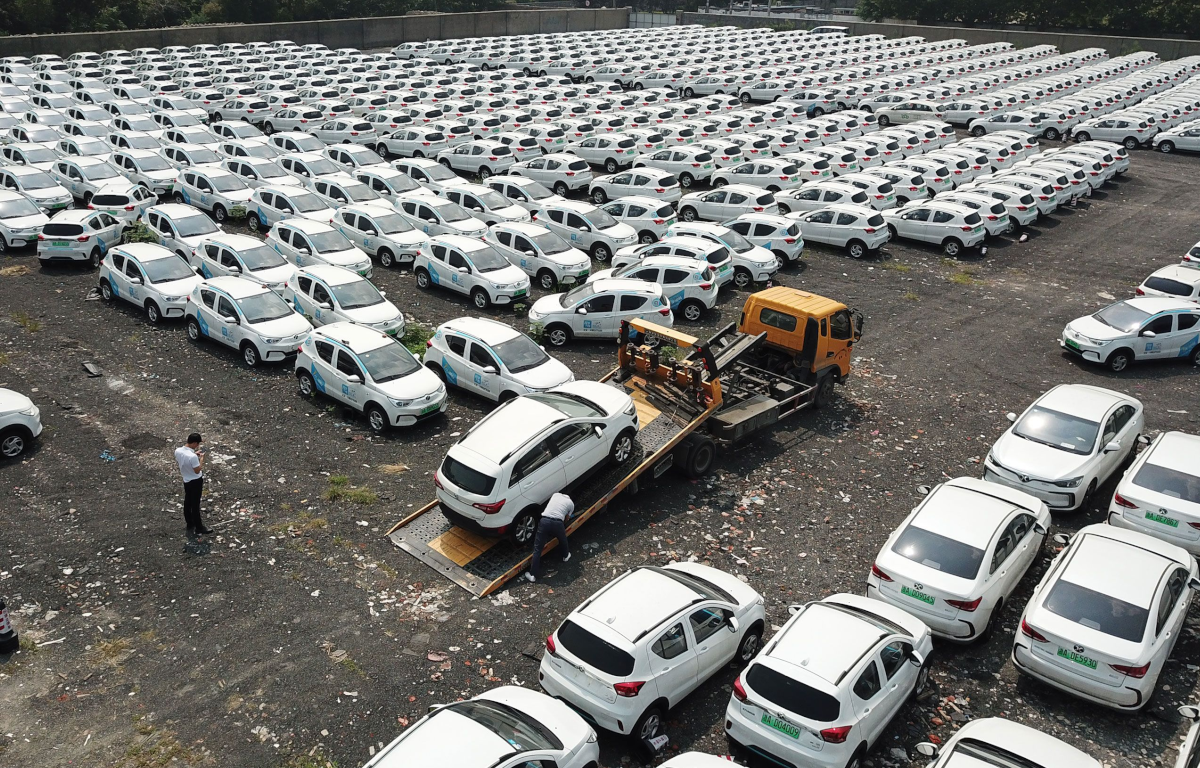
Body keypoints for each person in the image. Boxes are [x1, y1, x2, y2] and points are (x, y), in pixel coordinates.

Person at [525, 492, 573, 583]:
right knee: (563, 540)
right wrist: (562, 525)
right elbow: (567, 518)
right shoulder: (571, 504)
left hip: (544, 521)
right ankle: (566, 556)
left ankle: (532, 575)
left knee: (537, 549)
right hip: (558, 523)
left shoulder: (555, 495)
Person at [175, 432, 211, 538]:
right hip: (195, 480)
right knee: (195, 505)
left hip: (186, 479)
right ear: (194, 443)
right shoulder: (192, 457)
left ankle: (189, 523)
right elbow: (197, 470)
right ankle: (199, 527)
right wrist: (201, 459)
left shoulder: (178, 451)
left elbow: (185, 460)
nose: (198, 446)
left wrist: (195, 455)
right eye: (198, 444)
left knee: (187, 502)